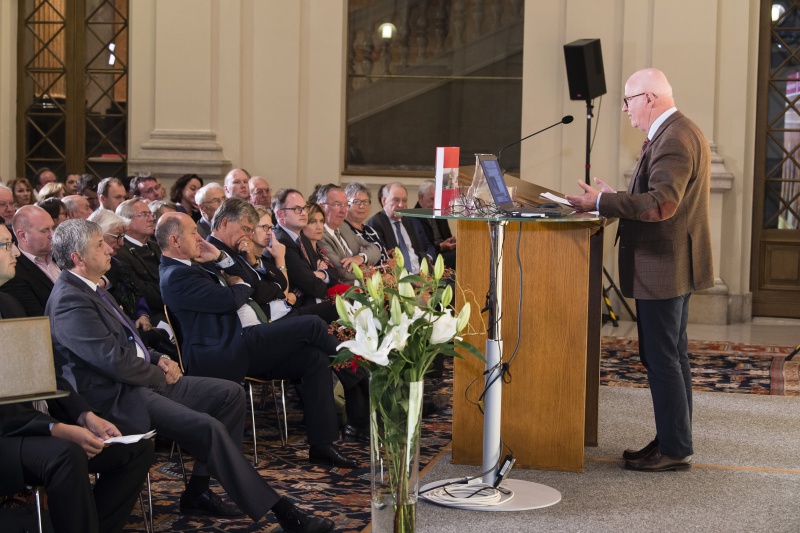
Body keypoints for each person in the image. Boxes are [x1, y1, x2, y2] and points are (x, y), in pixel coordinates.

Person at [46, 218, 336, 532]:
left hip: (137, 382)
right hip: (115, 397)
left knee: (229, 395)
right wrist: (158, 374)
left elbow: (128, 343)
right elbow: (113, 363)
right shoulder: (70, 300)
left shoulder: (92, 288)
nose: (110, 249)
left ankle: (198, 490)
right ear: (77, 258)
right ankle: (282, 511)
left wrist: (159, 358)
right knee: (207, 427)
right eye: (100, 244)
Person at [566, 68, 713, 473]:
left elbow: (662, 203)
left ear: (649, 98)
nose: (625, 110)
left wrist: (602, 203)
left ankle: (675, 447)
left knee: (662, 358)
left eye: (628, 101)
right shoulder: (677, 131)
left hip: (664, 265)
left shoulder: (675, 138)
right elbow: (656, 196)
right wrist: (613, 197)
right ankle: (672, 440)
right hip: (670, 263)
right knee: (671, 356)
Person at [158, 211, 362, 463]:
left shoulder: (194, 263)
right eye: (192, 233)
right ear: (175, 241)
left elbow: (246, 282)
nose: (199, 238)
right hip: (225, 350)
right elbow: (231, 298)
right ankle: (360, 379)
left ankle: (322, 444)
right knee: (312, 324)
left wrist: (222, 260)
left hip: (241, 341)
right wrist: (240, 285)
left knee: (314, 357)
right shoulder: (175, 275)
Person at [0, 218, 155, 533]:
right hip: (7, 435)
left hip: (26, 425)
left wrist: (84, 415)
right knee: (67, 454)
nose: (15, 252)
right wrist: (56, 429)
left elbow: (44, 375)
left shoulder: (7, 302)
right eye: (6, 245)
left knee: (134, 447)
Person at [314, 184, 381, 284]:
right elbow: (343, 271)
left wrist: (361, 257)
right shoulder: (319, 235)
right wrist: (373, 272)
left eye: (345, 205)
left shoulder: (344, 227)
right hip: (347, 290)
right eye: (337, 205)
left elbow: (375, 249)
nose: (343, 210)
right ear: (322, 207)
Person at [0, 205, 58, 316]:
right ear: (22, 235)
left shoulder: (8, 302)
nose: (16, 253)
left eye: (53, 228)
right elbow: (39, 322)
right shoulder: (14, 274)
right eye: (45, 230)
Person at [367, 182, 429, 274]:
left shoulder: (409, 221)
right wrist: (410, 277)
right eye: (396, 200)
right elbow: (384, 261)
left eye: (404, 200)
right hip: (399, 277)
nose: (401, 205)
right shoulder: (375, 224)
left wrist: (428, 272)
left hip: (422, 274)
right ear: (384, 200)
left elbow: (420, 251)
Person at [415, 179, 457, 269]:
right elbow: (422, 250)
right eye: (432, 199)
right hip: (432, 256)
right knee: (460, 256)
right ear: (421, 197)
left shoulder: (439, 212)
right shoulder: (413, 218)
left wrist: (452, 241)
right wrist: (441, 247)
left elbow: (447, 236)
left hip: (446, 252)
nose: (435, 204)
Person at [343, 181, 388, 264]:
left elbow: (385, 257)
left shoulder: (370, 231)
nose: (362, 206)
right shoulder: (342, 230)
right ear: (346, 204)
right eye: (356, 202)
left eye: (365, 202)